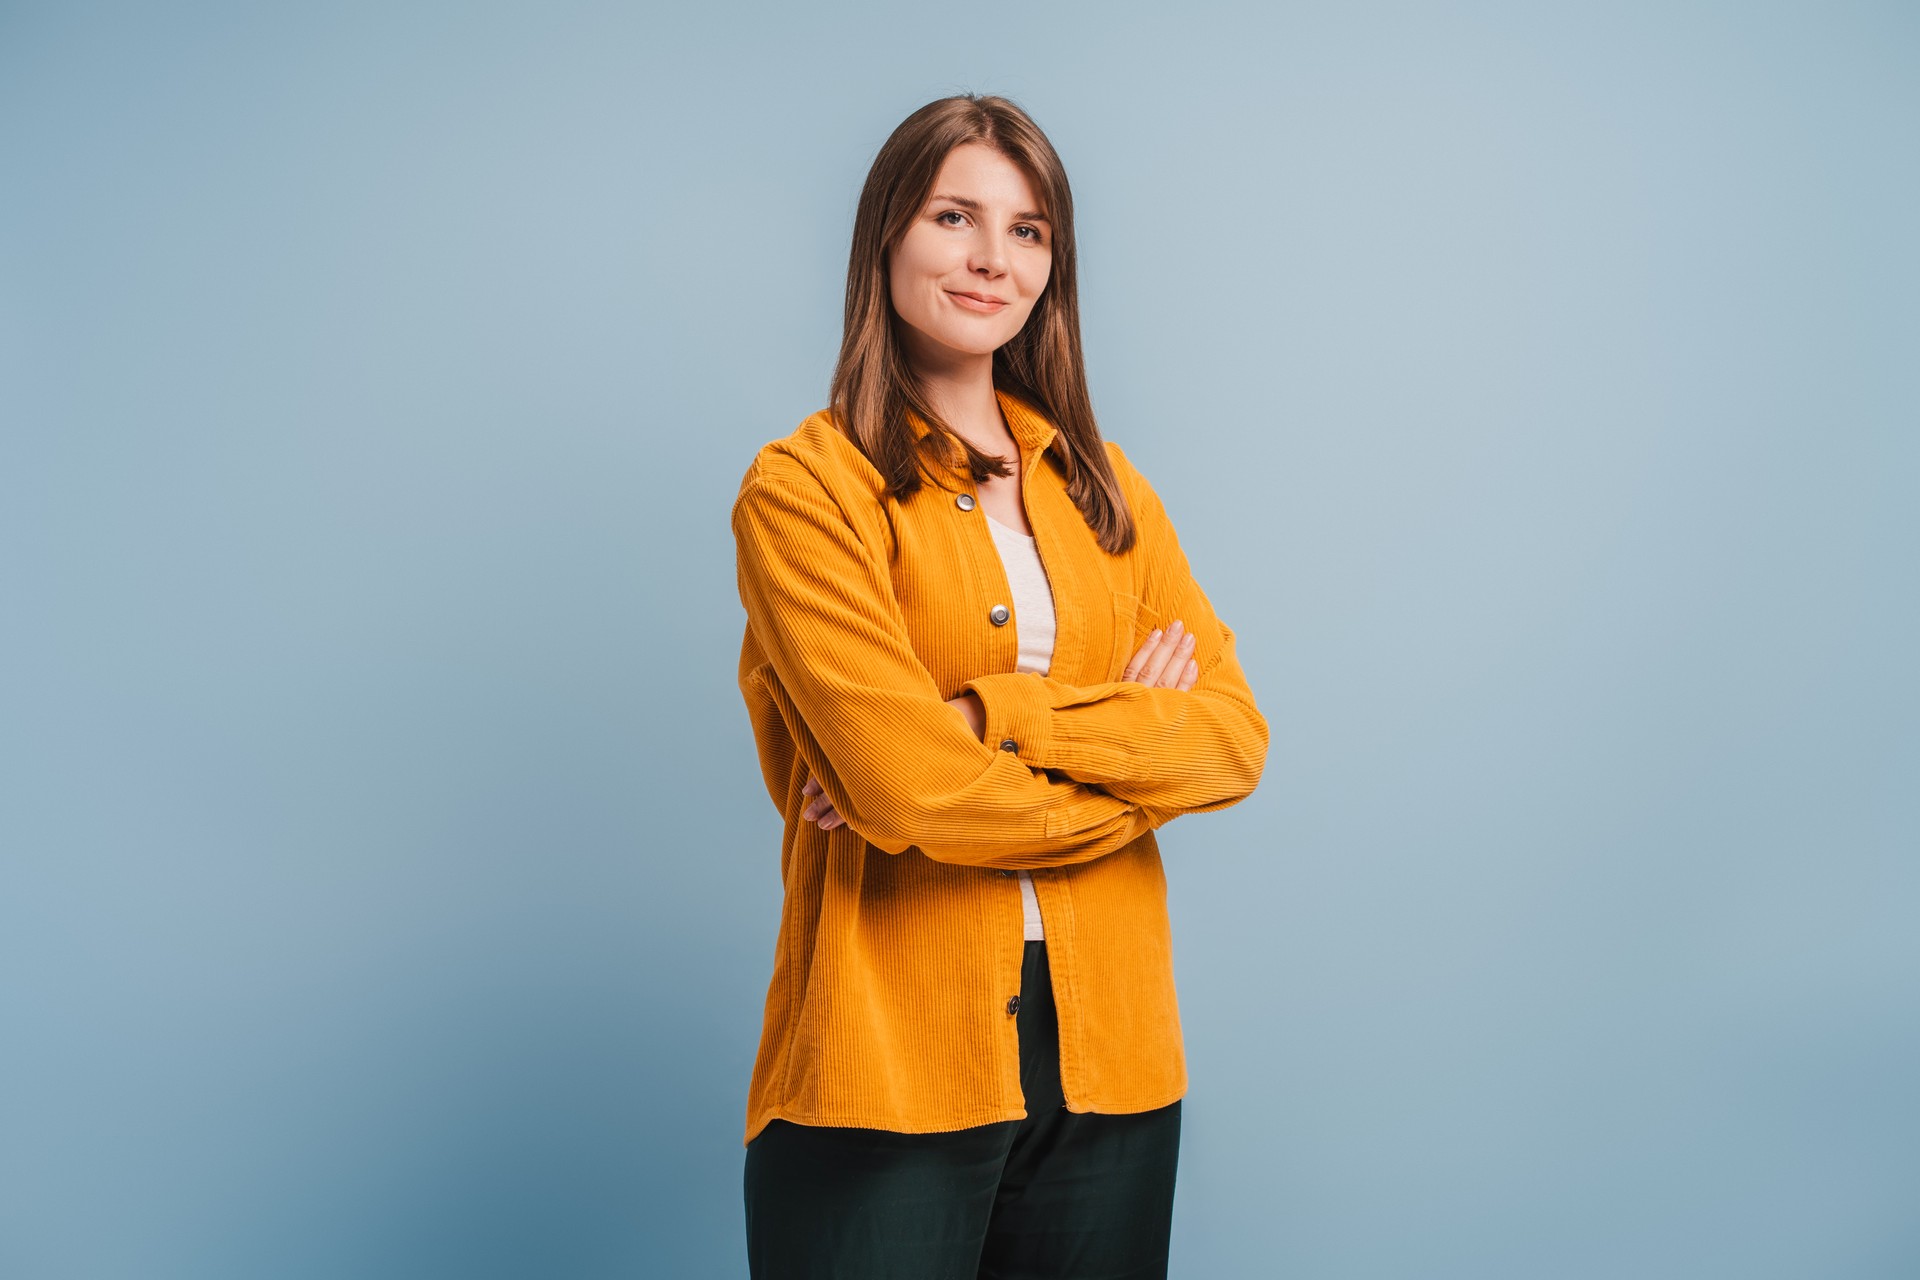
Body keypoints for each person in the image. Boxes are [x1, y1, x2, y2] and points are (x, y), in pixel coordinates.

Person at [729, 92, 1270, 1279]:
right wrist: (1133, 770)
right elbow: (908, 791)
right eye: (954, 216)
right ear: (887, 237)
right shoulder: (805, 492)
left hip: (1115, 1060)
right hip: (885, 1062)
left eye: (1028, 231)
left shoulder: (1107, 488)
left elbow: (1231, 739)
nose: (992, 258)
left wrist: (986, 714)